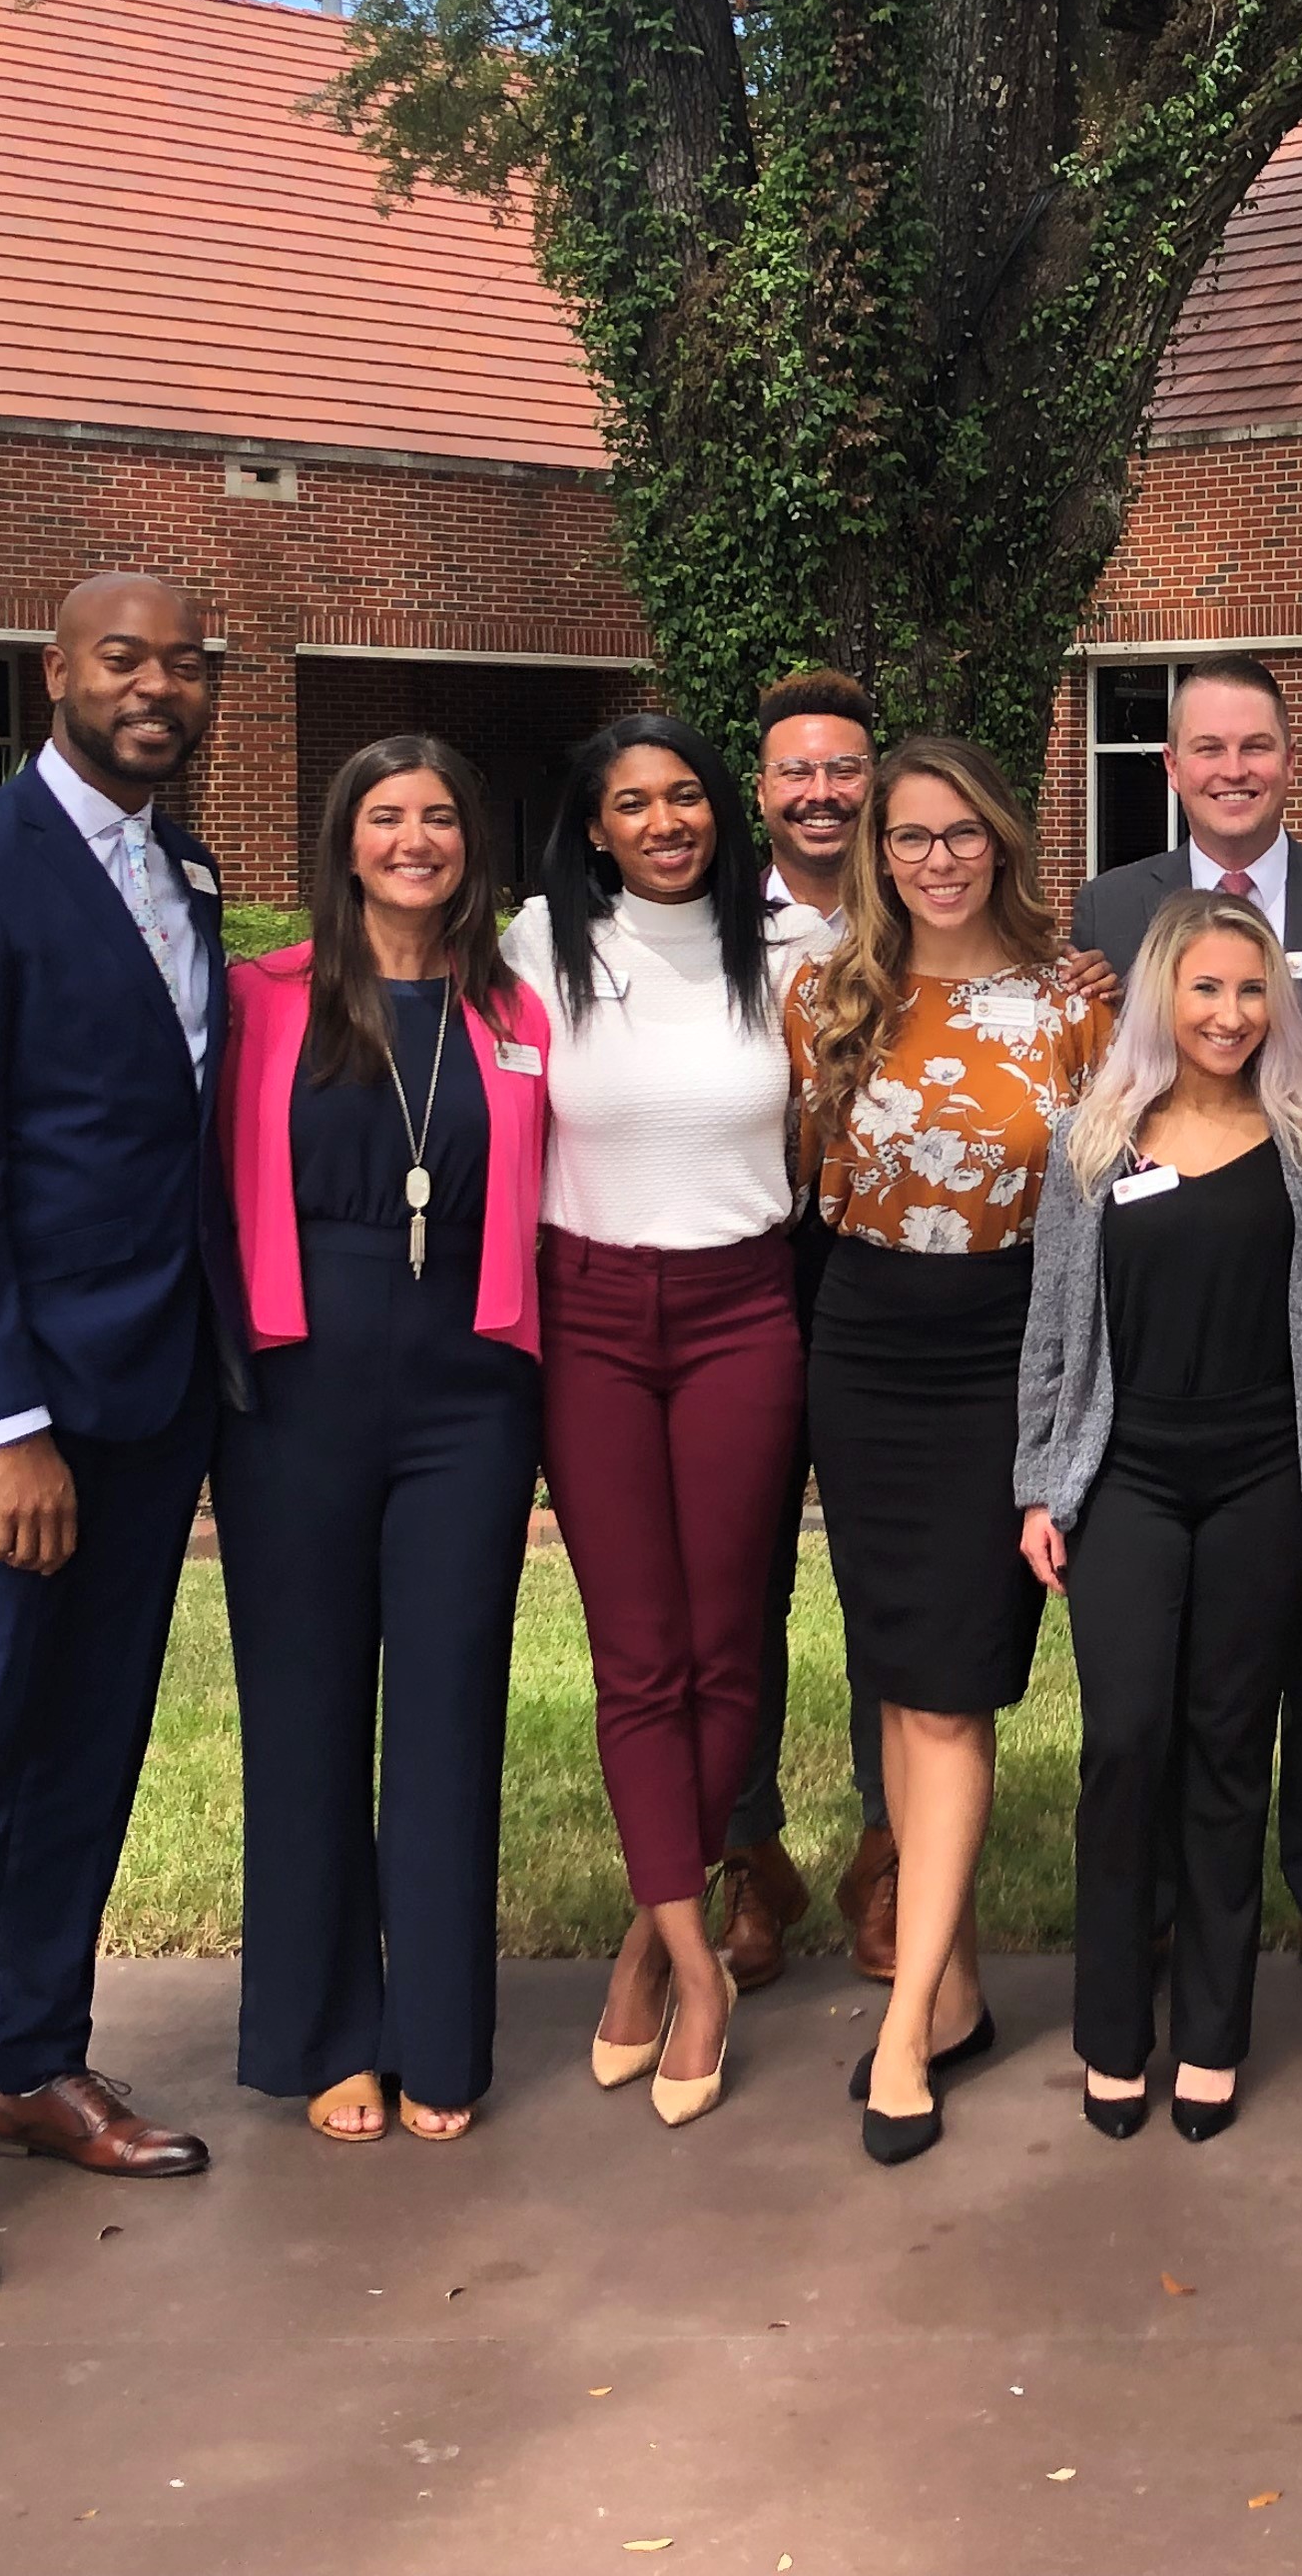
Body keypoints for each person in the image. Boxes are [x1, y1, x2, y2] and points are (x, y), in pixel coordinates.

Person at [0, 567, 230, 2296]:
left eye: (181, 663)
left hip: (151, 1389)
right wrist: (8, 1423)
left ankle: (38, 2058)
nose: (156, 686)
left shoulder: (184, 869)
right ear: (57, 673)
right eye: (122, 658)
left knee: (93, 1733)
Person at [1066, 652, 1302, 2017]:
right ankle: (1157, 1908)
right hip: (1167, 1328)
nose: (1233, 770)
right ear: (1172, 767)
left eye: (1256, 747)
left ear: (1289, 757)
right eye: (1207, 749)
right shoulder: (1112, 908)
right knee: (1159, 1675)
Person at [214, 738, 552, 2143]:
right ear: (345, 845)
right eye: (385, 817)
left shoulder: (522, 1009)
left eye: (440, 818)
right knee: (304, 1716)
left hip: (470, 1402)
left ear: (473, 844)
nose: (415, 839)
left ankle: (439, 2037)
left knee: (449, 1714)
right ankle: (326, 2031)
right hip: (298, 1395)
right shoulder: (264, 1000)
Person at [791, 734, 1112, 2164]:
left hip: (1004, 1346)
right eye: (909, 835)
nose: (935, 858)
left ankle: (908, 2022)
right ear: (877, 851)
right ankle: (961, 1982)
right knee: (902, 1676)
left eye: (960, 833)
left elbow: (1110, 1202)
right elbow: (804, 1189)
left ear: (1001, 842)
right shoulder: (827, 997)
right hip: (863, 1347)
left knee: (952, 1690)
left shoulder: (1072, 1007)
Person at [1016, 894, 1302, 2144]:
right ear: (1162, 998)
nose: (1228, 1015)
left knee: (1231, 1747)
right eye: (1205, 990)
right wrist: (1038, 1482)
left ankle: (1214, 2033)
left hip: (1261, 1481)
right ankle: (1115, 2030)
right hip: (1126, 1474)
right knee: (1127, 1741)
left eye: (1249, 992)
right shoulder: (1095, 1138)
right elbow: (1055, 1333)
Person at [504, 713, 808, 2129]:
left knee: (727, 1635)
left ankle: (650, 1935)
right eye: (633, 803)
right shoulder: (534, 950)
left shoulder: (792, 954)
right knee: (636, 1651)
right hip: (593, 1318)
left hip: (746, 1309)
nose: (667, 822)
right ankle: (693, 1944)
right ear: (595, 826)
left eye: (686, 796)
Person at [717, 667, 892, 1993]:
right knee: (740, 1585)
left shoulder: (934, 911)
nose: (823, 793)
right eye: (798, 772)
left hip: (891, 1280)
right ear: (761, 788)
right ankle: (749, 1858)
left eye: (844, 771)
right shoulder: (701, 923)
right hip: (744, 1269)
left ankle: (889, 1860)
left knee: (888, 1587)